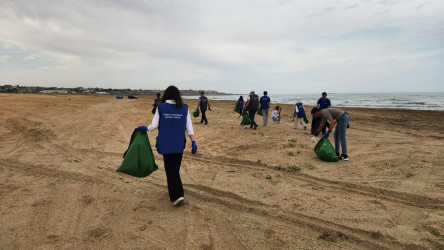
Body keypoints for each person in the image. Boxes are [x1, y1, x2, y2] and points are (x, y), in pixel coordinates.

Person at [145, 85, 197, 207]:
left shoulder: (161, 107)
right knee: (174, 168)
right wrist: (193, 141)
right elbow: (189, 127)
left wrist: (145, 128)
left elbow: (154, 125)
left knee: (171, 169)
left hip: (166, 143)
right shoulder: (184, 108)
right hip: (179, 143)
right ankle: (175, 191)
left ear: (166, 95)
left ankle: (177, 195)